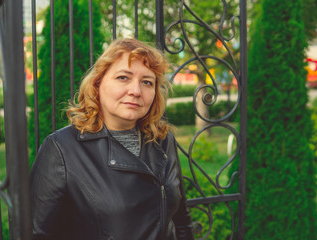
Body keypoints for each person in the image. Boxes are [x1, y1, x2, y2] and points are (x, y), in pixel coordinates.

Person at [30, 38, 194, 240]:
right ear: (98, 83)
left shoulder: (163, 140)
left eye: (147, 82)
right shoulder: (62, 149)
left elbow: (181, 220)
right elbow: (37, 234)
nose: (136, 91)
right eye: (123, 78)